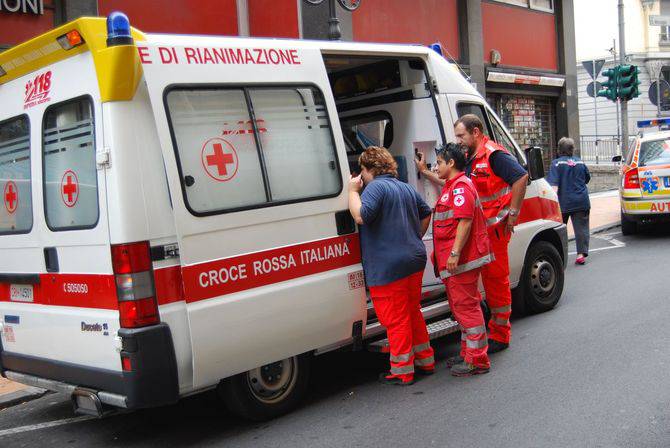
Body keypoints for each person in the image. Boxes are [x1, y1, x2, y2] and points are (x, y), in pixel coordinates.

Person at [415, 114, 528, 355]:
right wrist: (425, 172)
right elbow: (452, 177)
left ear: (475, 132)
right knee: (477, 284)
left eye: (461, 135)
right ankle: (483, 332)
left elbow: (521, 177)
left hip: (493, 230)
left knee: (496, 282)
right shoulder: (469, 158)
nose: (459, 140)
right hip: (479, 232)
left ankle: (500, 334)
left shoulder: (493, 155)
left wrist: (514, 214)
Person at [349, 146, 435, 386]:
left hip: (389, 266)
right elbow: (426, 212)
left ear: (369, 169)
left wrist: (351, 192)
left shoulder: (375, 188)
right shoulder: (405, 187)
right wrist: (414, 237)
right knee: (411, 311)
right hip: (414, 260)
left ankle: (402, 371)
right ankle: (425, 360)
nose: (362, 176)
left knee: (395, 319)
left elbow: (361, 216)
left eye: (363, 171)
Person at [432, 143, 492, 376]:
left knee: (466, 308)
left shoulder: (460, 188)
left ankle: (477, 360)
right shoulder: (453, 186)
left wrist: (454, 254)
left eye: (438, 163)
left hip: (460, 261)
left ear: (451, 163)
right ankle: (469, 353)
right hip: (454, 262)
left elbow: (464, 221)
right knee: (462, 308)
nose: (435, 166)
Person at [546, 137, 591, 265]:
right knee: (581, 228)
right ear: (572, 149)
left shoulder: (556, 164)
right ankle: (580, 255)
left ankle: (559, 256)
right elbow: (587, 178)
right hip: (581, 201)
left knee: (559, 229)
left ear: (559, 150)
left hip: (563, 202)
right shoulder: (580, 162)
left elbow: (553, 187)